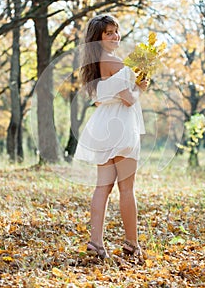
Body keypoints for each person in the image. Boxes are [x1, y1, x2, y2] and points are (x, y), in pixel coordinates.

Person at [74, 14, 149, 260]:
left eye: (116, 31)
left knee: (102, 188)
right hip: (121, 129)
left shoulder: (94, 65)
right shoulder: (115, 63)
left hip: (103, 128)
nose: (115, 36)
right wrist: (140, 87)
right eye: (109, 33)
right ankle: (131, 244)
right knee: (126, 188)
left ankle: (96, 243)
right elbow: (129, 99)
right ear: (98, 38)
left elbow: (99, 99)